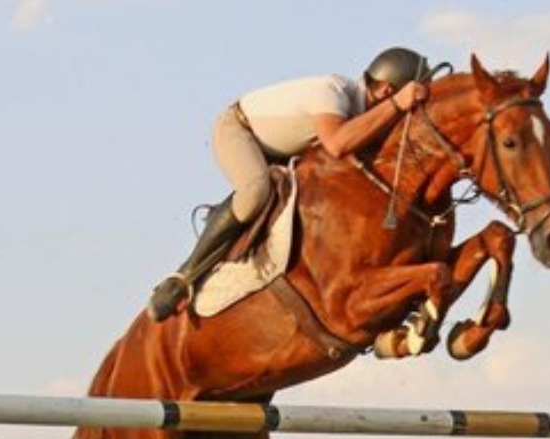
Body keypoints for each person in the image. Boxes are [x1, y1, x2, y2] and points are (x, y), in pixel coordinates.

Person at [146, 46, 433, 321]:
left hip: (284, 152)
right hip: (240, 130)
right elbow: (337, 144)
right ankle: (183, 278)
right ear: (387, 90)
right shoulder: (332, 91)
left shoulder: (364, 113)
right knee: (256, 191)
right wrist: (397, 106)